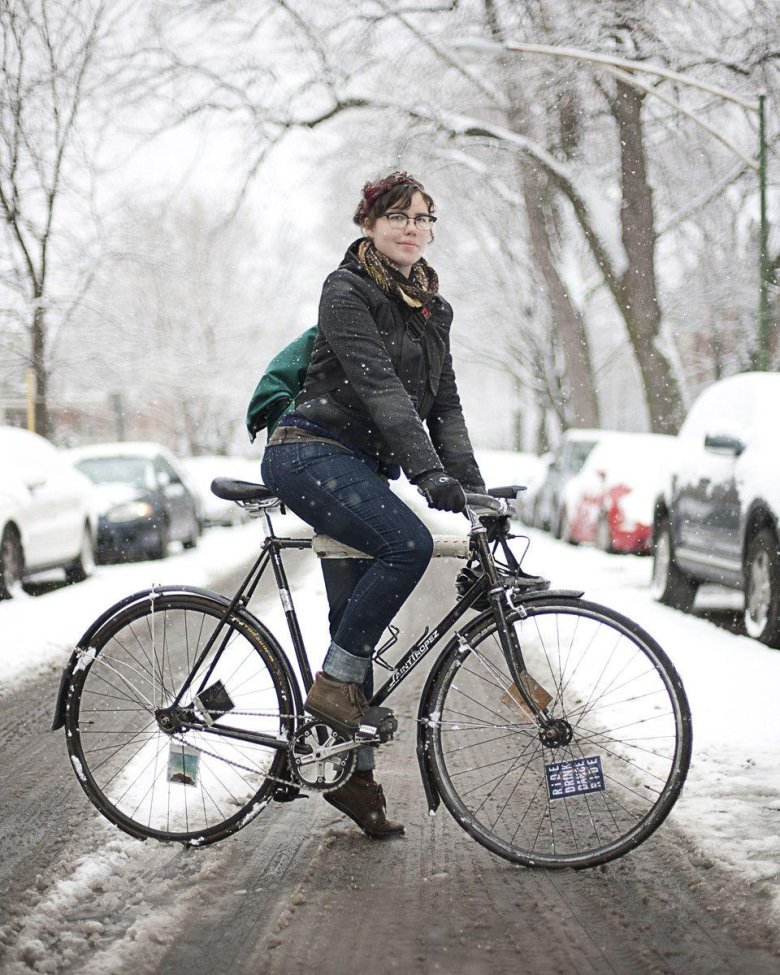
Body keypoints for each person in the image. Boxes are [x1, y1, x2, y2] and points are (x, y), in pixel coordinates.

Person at [261, 171, 486, 838]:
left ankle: (348, 776)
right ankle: (330, 688)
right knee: (408, 544)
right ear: (369, 223)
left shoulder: (431, 309)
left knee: (352, 631)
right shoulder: (347, 291)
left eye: (423, 216)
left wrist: (470, 487)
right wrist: (425, 477)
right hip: (308, 451)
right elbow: (382, 387)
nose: (413, 226)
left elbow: (445, 406)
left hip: (354, 468)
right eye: (398, 215)